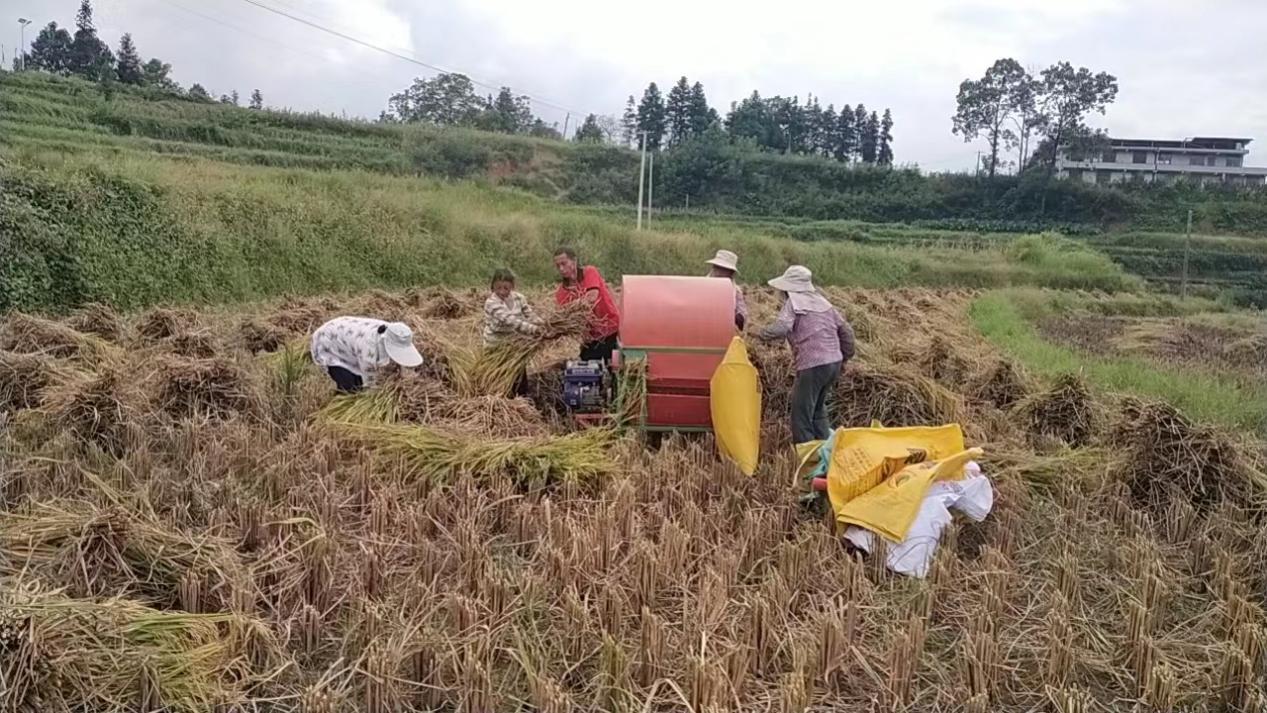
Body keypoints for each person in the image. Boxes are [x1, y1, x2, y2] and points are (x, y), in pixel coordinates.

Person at [756, 265, 855, 444]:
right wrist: (845, 357)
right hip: (834, 362)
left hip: (813, 364)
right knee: (818, 409)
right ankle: (826, 449)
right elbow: (846, 331)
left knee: (801, 413)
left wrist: (760, 334)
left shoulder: (793, 303)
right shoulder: (825, 303)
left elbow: (782, 327)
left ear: (788, 289)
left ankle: (806, 454)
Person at [310, 316, 424, 393]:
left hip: (347, 332)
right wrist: (375, 398)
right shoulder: (369, 352)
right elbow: (370, 386)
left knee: (359, 379)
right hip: (328, 340)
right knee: (351, 387)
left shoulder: (394, 331)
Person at [553, 246, 620, 364]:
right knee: (589, 371)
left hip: (610, 329)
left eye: (564, 263)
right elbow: (564, 317)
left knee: (615, 369)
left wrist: (571, 308)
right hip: (590, 337)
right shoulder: (561, 293)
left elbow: (592, 297)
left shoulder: (589, 272)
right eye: (558, 266)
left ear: (574, 261)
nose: (561, 269)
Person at [483, 268, 544, 396]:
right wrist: (534, 330)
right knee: (501, 379)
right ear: (492, 286)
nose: (502, 291)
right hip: (496, 347)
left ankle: (522, 400)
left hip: (515, 345)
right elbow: (511, 321)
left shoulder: (519, 298)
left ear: (512, 286)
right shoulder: (491, 303)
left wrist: (543, 324)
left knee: (520, 377)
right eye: (498, 287)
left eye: (506, 288)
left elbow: (529, 314)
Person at [705, 249, 747, 331]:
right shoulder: (702, 285)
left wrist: (739, 317)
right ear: (714, 267)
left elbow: (742, 312)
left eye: (724, 270)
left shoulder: (736, 291)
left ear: (730, 273)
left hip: (724, 328)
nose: (720, 272)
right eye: (718, 268)